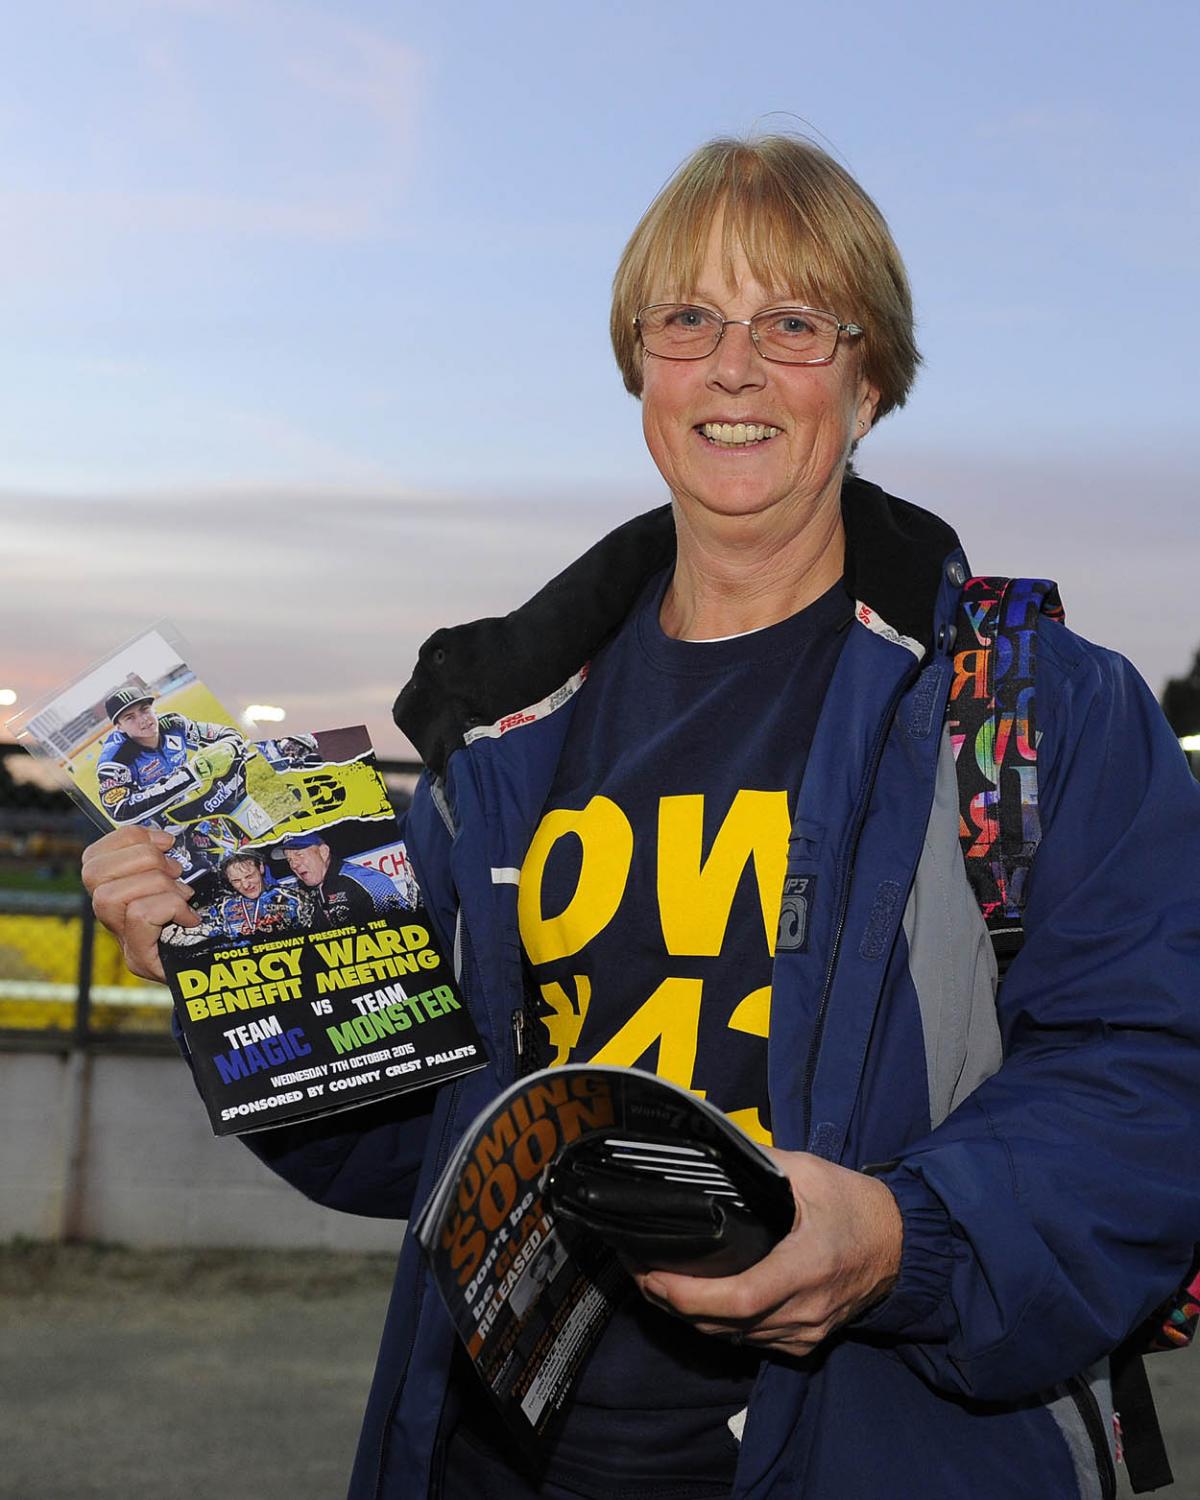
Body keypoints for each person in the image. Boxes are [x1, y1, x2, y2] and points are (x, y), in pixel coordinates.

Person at [81, 134, 1200, 1500]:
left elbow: (1152, 1081)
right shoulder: (502, 737)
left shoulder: (1036, 708)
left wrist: (905, 1237)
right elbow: (409, 1137)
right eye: (690, 320)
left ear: (869, 375)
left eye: (793, 323)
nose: (735, 366)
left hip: (881, 1446)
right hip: (510, 1461)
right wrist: (242, 981)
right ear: (641, 362)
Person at [275, 831, 409, 925]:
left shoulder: (364, 880)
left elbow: (406, 922)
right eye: (289, 860)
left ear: (323, 852)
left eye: (299, 854)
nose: (294, 864)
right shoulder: (305, 894)